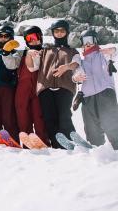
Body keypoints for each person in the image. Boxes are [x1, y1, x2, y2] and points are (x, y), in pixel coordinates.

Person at [27, 19, 80, 148]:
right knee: (49, 118)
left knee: (64, 116)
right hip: (45, 88)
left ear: (67, 32)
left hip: (65, 87)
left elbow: (77, 63)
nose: (59, 33)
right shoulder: (45, 50)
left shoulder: (73, 51)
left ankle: (73, 142)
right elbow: (32, 68)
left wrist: (66, 67)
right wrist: (29, 55)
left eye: (62, 31)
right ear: (53, 33)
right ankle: (57, 146)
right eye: (56, 31)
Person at [72, 29, 118, 150]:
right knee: (92, 129)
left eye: (90, 40)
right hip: (87, 98)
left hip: (105, 94)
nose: (88, 44)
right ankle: (97, 152)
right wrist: (76, 77)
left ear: (95, 41)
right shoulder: (81, 61)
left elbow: (113, 54)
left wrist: (112, 50)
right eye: (85, 41)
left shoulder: (102, 55)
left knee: (112, 124)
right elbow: (76, 74)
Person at [15, 26, 49, 145]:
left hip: (38, 89)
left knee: (39, 117)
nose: (33, 40)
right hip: (22, 90)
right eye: (29, 38)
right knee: (23, 116)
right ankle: (27, 143)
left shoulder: (46, 53)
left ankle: (43, 142)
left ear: (40, 37)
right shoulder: (21, 54)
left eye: (35, 37)